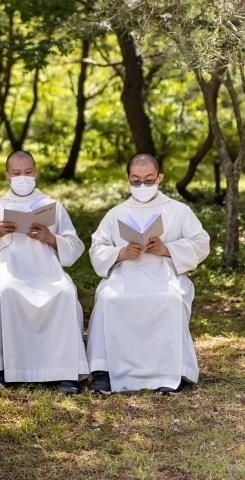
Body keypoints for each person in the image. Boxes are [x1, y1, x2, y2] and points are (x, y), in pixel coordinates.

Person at [86, 153, 210, 395]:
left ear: (159, 178)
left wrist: (168, 249)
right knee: (108, 298)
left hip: (164, 274)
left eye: (148, 180)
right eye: (136, 181)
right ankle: (105, 372)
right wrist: (120, 253)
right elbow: (97, 248)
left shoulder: (178, 211)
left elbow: (201, 242)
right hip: (125, 274)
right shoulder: (116, 213)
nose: (142, 186)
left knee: (170, 298)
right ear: (128, 180)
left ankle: (172, 372)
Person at [0, 151, 88, 394]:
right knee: (7, 291)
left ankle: (65, 371)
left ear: (35, 173)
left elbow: (74, 245)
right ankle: (1, 368)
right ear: (7, 175)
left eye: (28, 172)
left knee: (65, 291)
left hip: (49, 274)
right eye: (17, 173)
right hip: (12, 274)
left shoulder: (52, 207)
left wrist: (50, 237)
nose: (23, 177)